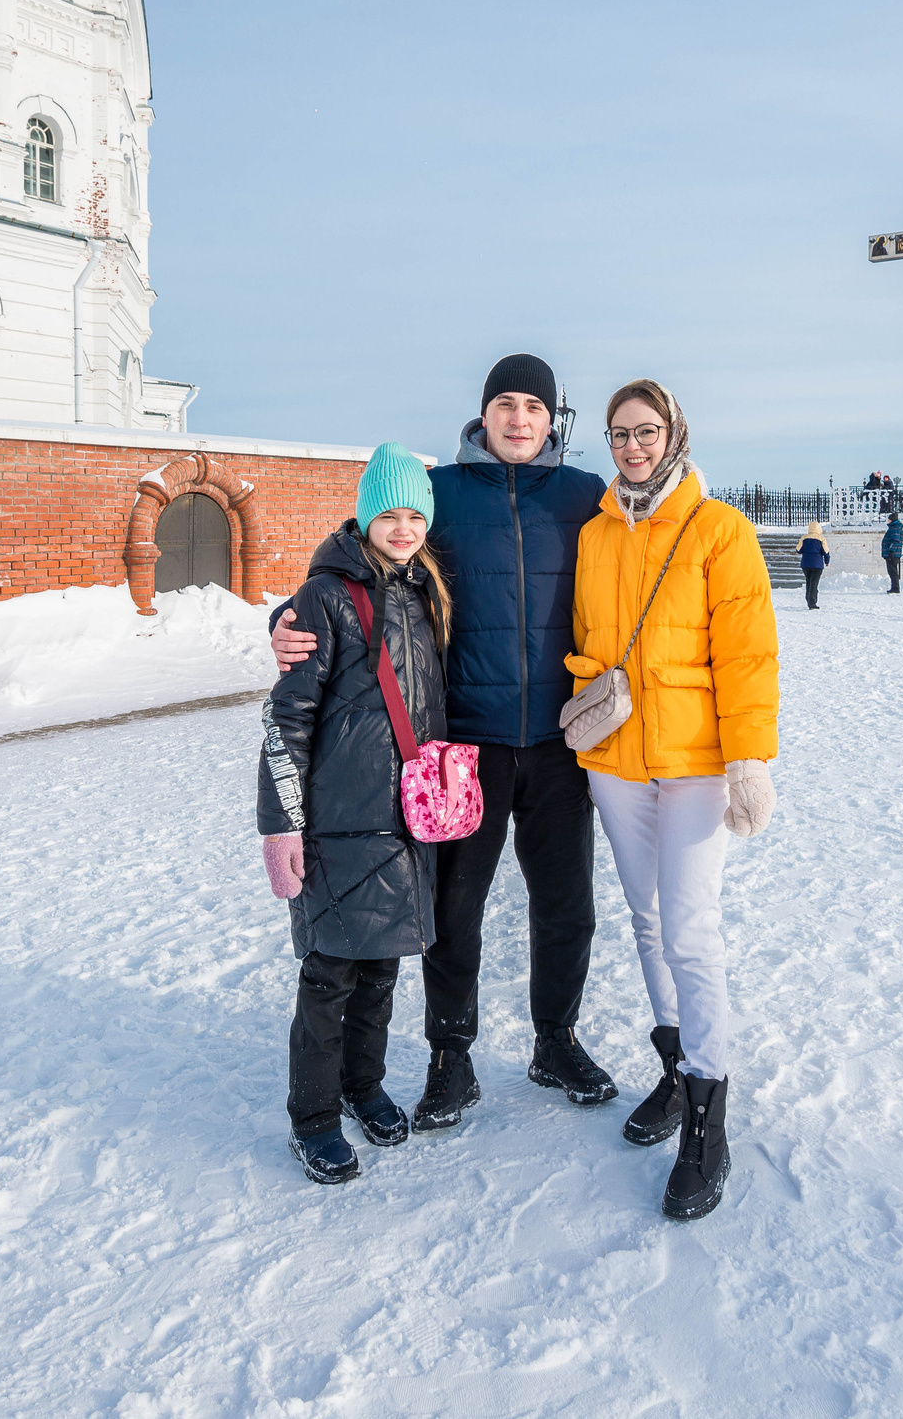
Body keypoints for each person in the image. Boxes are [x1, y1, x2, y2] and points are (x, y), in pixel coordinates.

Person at [269, 354, 616, 1133]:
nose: (519, 418)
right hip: (465, 746)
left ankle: (556, 1040)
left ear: (552, 417)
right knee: (455, 909)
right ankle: (449, 1057)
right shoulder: (446, 493)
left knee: (567, 905)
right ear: (482, 414)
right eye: (505, 403)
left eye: (533, 404)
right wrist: (287, 622)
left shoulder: (584, 497)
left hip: (561, 743)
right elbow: (366, 551)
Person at [568, 379, 780, 1220]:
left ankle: (707, 1111)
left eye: (645, 431)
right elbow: (585, 636)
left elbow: (748, 650)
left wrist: (749, 758)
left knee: (690, 925)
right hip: (617, 759)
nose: (631, 446)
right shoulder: (593, 533)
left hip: (695, 762)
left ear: (674, 433)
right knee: (647, 919)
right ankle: (673, 1060)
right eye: (619, 434)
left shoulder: (717, 528)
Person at [256, 444, 452, 1184]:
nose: (402, 528)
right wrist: (282, 824)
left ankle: (362, 1084)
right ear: (366, 515)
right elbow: (288, 718)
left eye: (414, 515)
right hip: (339, 824)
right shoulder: (328, 596)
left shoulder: (421, 589)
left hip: (403, 824)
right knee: (329, 975)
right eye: (389, 514)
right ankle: (312, 1116)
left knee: (381, 972)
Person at [797, 521, 829, 610]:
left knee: (808, 582)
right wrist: (827, 561)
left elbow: (798, 550)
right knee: (814, 584)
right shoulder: (821, 539)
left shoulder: (804, 538)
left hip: (806, 564)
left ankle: (808, 599)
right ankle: (812, 603)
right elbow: (825, 552)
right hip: (817, 564)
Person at [881, 514, 903, 594]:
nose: (888, 520)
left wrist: (891, 551)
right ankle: (894, 587)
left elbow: (895, 540)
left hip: (893, 554)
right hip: (893, 553)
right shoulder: (894, 527)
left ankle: (895, 588)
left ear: (892, 520)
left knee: (893, 571)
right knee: (892, 571)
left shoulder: (895, 528)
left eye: (889, 519)